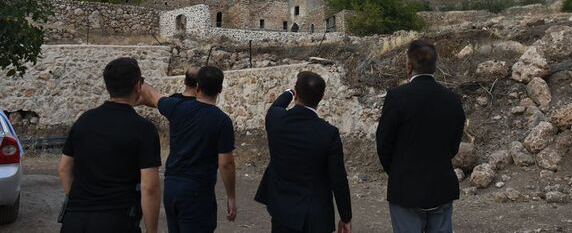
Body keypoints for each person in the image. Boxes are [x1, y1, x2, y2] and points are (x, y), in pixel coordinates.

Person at [57, 57, 161, 233]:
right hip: (116, 220)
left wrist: (78, 202)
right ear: (138, 86)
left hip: (74, 220)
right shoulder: (143, 129)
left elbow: (64, 168)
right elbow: (149, 187)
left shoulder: (84, 120)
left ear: (108, 87)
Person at [376, 40, 466, 233]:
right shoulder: (452, 99)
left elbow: (383, 143)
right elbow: (454, 144)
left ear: (409, 66)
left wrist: (398, 171)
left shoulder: (396, 97)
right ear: (435, 66)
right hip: (441, 186)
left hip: (405, 189)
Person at [139, 65, 236, 232]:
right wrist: (231, 196)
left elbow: (152, 95)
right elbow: (226, 163)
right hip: (198, 191)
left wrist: (138, 80)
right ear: (220, 89)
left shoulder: (176, 107)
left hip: (172, 187)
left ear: (197, 87)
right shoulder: (222, 121)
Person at [255, 71, 352, 233]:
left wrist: (289, 92)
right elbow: (338, 179)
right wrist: (346, 216)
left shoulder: (276, 119)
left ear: (297, 94)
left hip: (281, 211)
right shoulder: (328, 133)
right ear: (321, 97)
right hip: (314, 215)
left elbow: (276, 106)